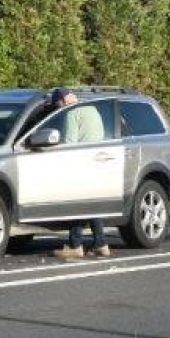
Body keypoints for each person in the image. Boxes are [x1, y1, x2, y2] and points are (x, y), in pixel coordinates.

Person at [46, 88, 112, 260]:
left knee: (77, 205)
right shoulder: (91, 108)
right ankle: (101, 244)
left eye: (57, 104)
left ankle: (75, 246)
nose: (58, 108)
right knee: (91, 204)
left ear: (62, 100)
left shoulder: (71, 113)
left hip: (81, 162)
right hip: (97, 160)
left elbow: (70, 143)